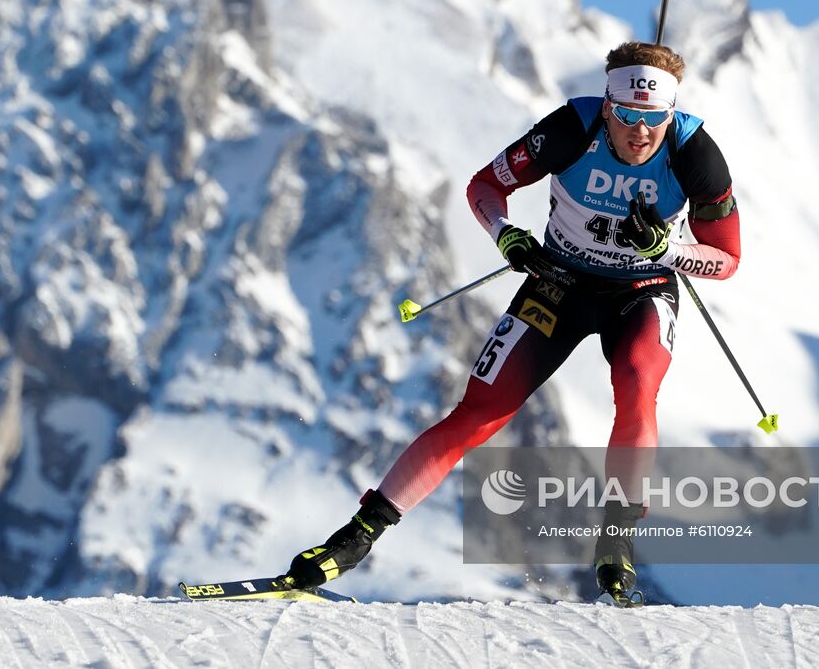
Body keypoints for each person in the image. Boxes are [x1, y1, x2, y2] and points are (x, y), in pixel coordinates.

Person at [280, 41, 741, 602]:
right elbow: (484, 187)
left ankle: (617, 537)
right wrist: (508, 236)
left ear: (670, 114)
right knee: (480, 411)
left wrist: (665, 248)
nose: (639, 133)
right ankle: (355, 538)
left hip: (640, 291)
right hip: (558, 284)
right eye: (626, 115)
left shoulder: (695, 155)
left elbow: (727, 260)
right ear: (606, 107)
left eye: (653, 119)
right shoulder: (571, 128)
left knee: (638, 385)